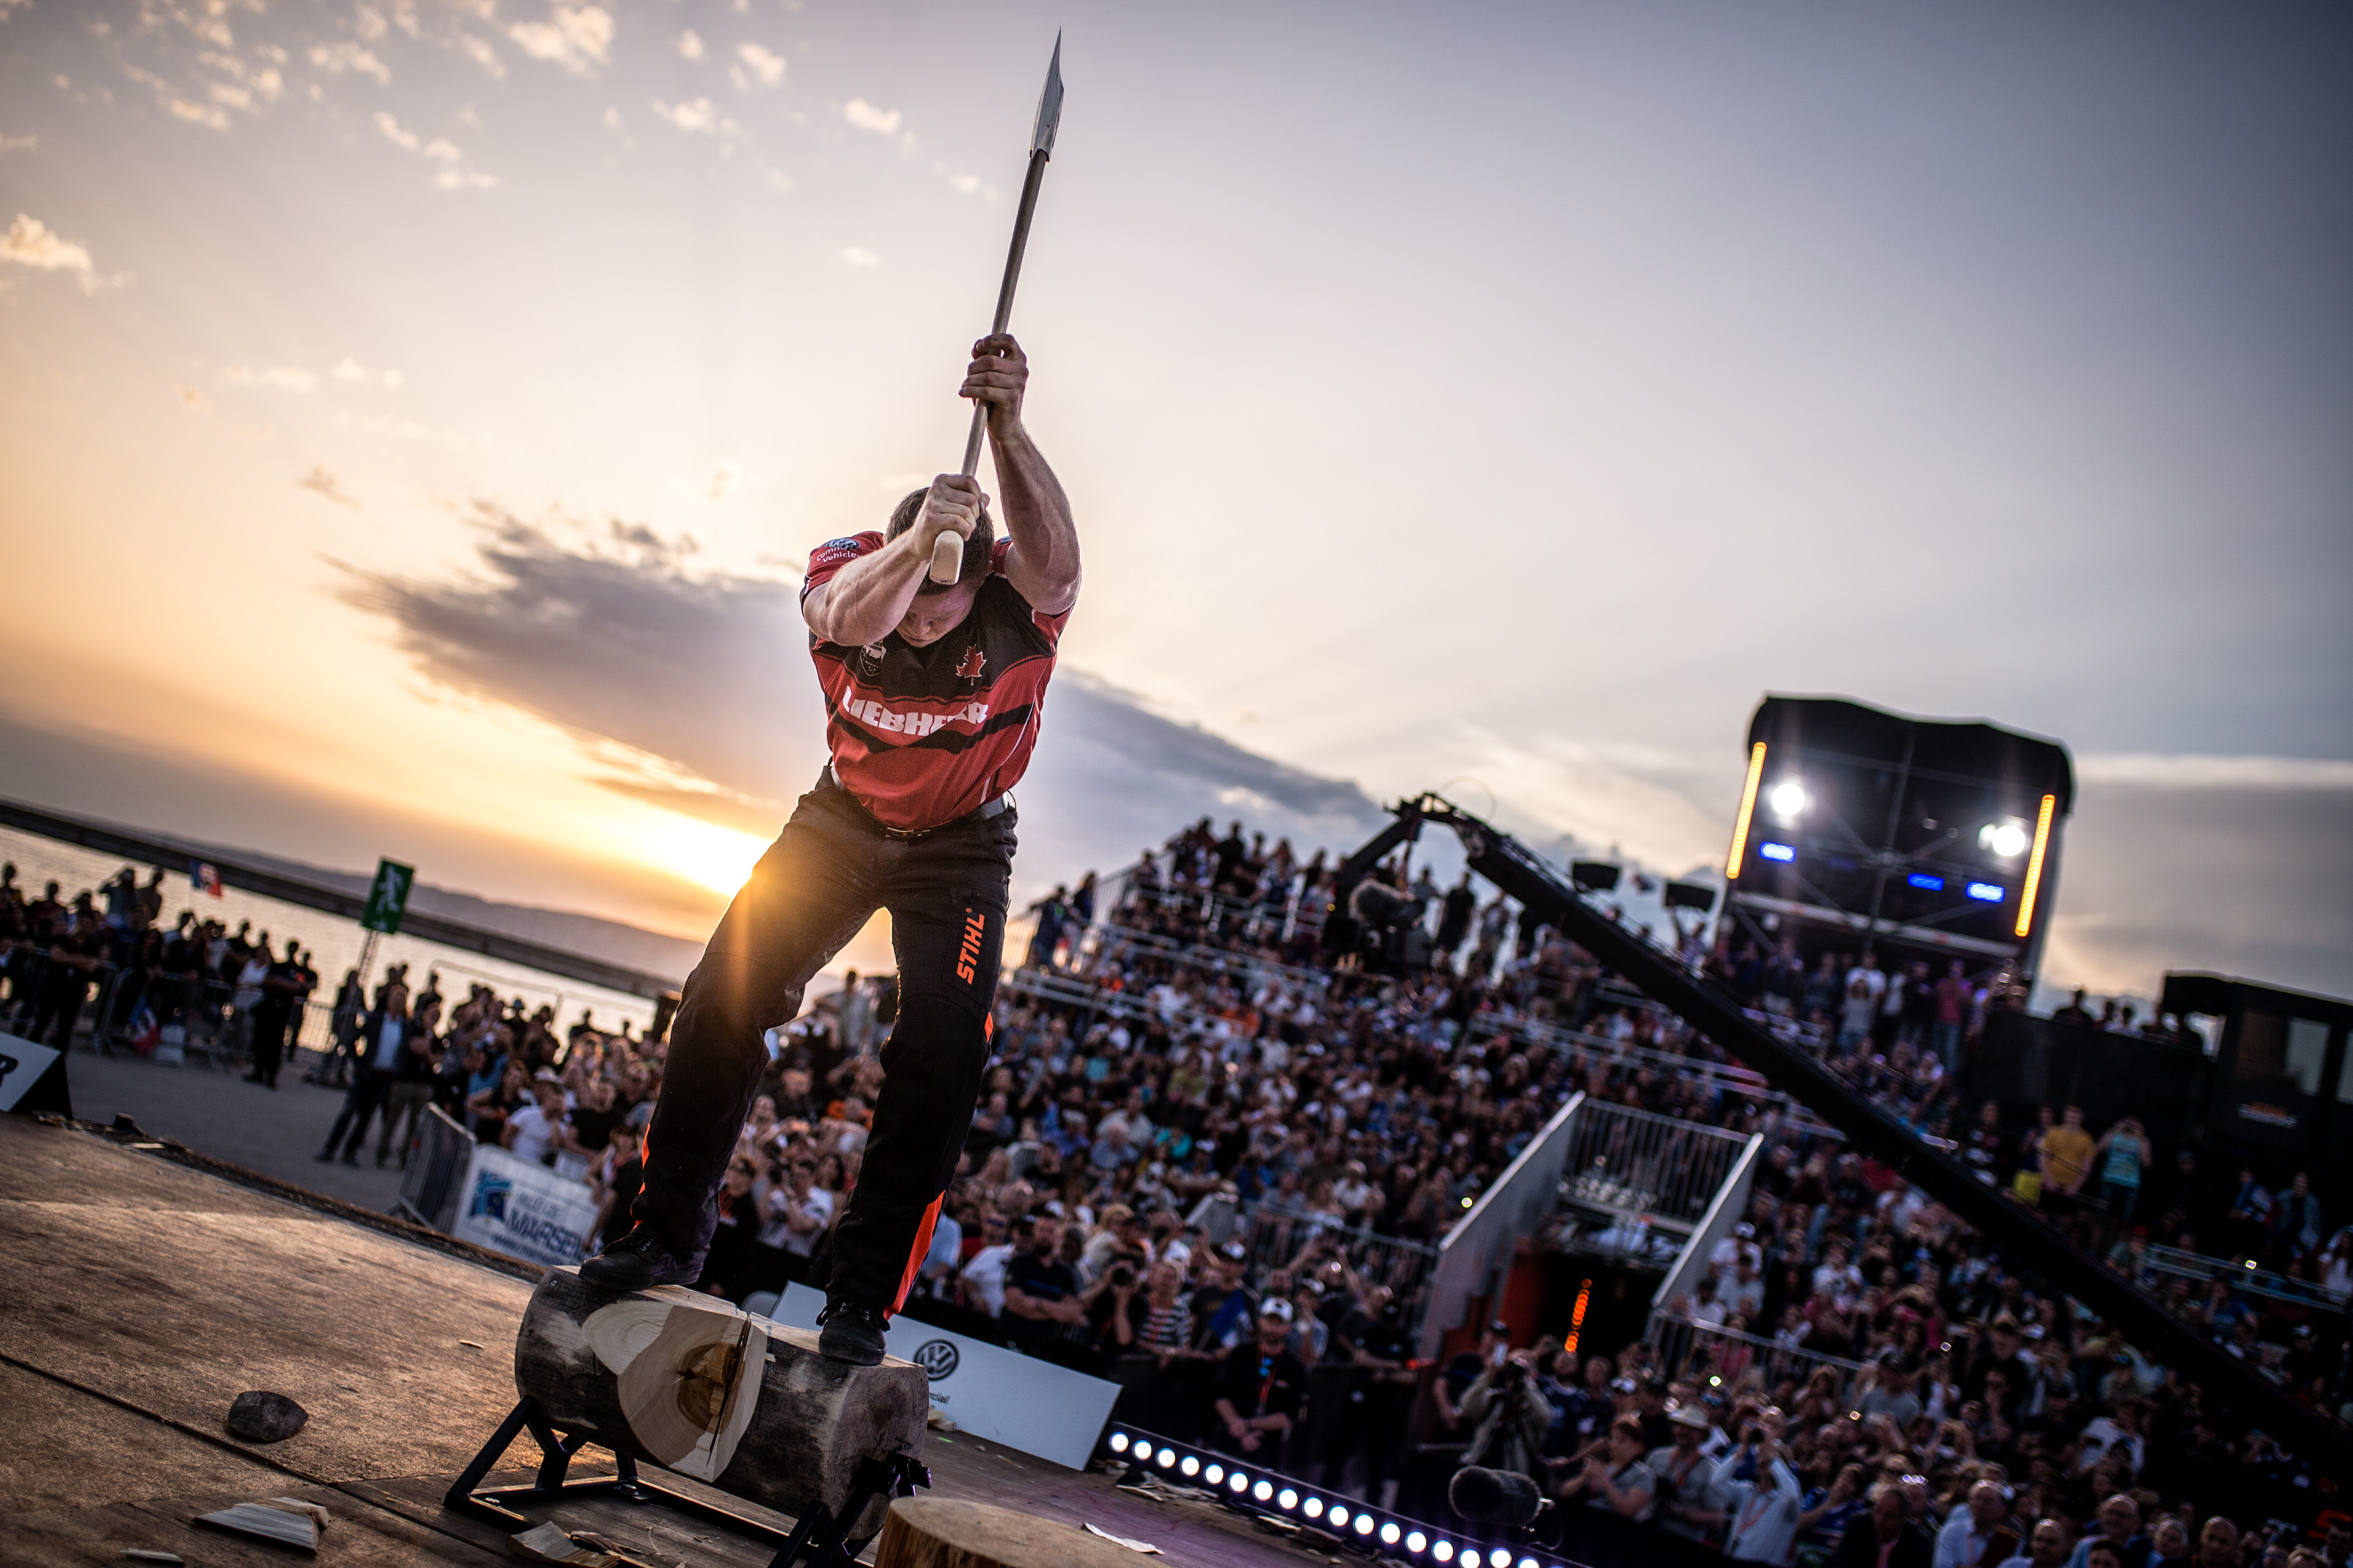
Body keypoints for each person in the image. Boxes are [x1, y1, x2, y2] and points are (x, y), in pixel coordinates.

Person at [581, 333, 1081, 1373]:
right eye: (916, 604)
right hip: (839, 819)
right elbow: (843, 615)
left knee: (940, 1058)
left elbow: (1060, 561)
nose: (927, 626)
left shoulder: (1014, 601)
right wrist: (916, 552)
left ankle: (861, 1299)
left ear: (981, 578)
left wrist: (1008, 425)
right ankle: (663, 1234)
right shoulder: (854, 571)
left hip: (962, 844)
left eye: (946, 605)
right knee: (723, 993)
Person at [1208, 1300, 1308, 1460]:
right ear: (1260, 1321)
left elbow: (1290, 1416)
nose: (1272, 1329)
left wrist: (1249, 1425)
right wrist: (1237, 1425)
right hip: (1227, 1440)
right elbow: (1219, 1394)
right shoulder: (1240, 1353)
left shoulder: (1295, 1367)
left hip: (1266, 1451)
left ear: (1289, 1327)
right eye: (1269, 1322)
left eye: (1279, 1324)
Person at [1825, 1483, 1933, 1568]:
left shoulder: (1919, 1541)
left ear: (1903, 1518)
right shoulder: (1859, 1524)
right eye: (1877, 1511)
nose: (1880, 1520)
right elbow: (1839, 1562)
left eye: (1889, 1516)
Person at [1937, 1481, 2021, 1568]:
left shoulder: (2009, 1540)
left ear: (2000, 1509)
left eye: (1988, 1501)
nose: (1980, 1504)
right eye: (1977, 1498)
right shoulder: (1952, 1532)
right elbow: (1942, 1565)